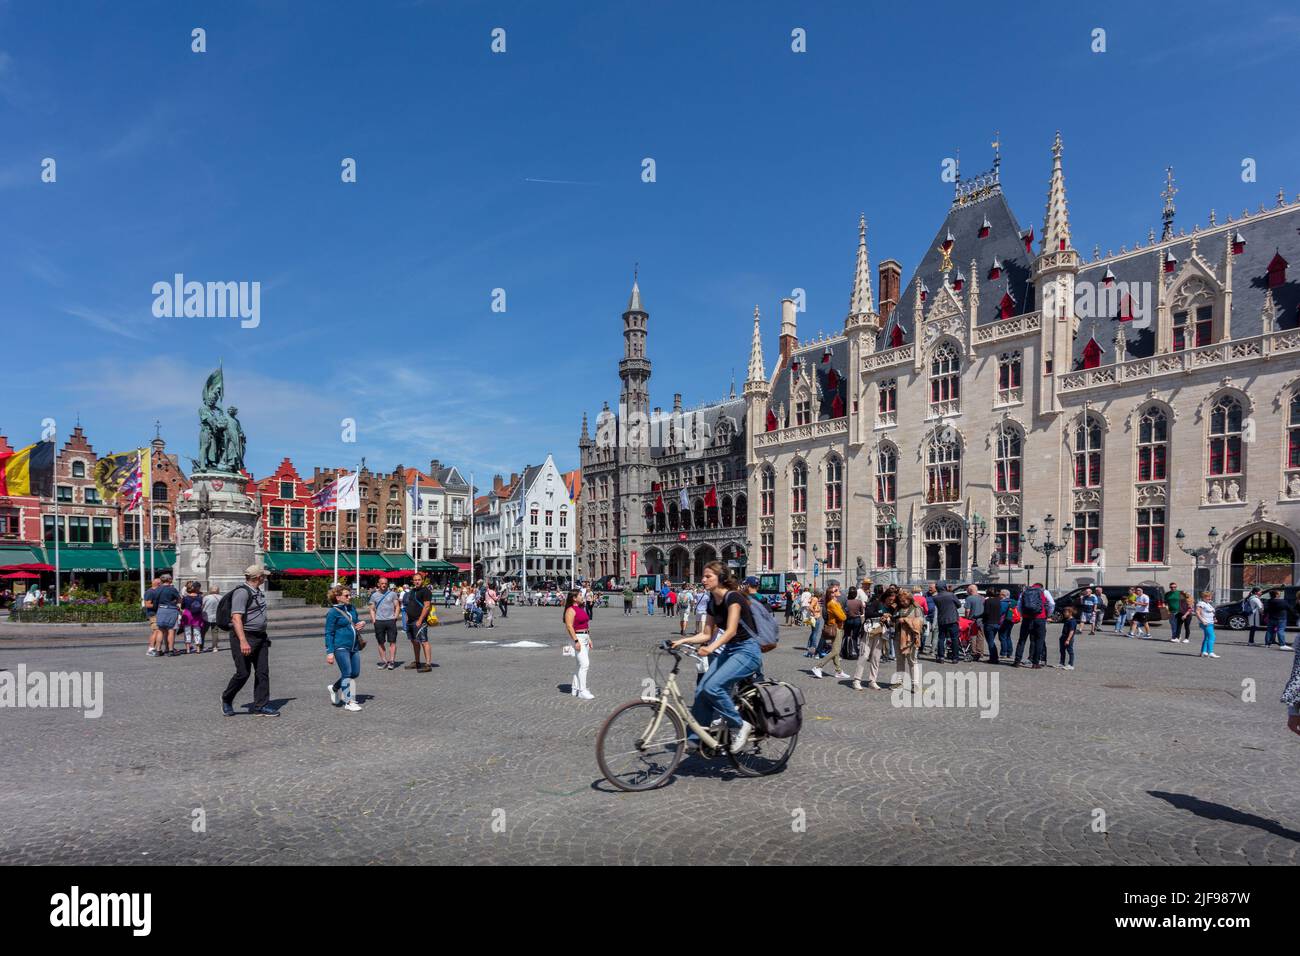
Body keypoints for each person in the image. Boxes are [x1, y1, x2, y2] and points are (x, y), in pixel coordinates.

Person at [671, 561, 762, 755]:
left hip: (747, 651)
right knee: (702, 689)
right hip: (730, 651)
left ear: (720, 578)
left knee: (713, 687)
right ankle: (698, 739)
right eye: (703, 576)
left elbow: (730, 631)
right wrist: (681, 641)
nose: (702, 580)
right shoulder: (712, 601)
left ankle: (739, 725)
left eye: (707, 576)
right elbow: (706, 634)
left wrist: (710, 648)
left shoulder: (733, 597)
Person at [221, 565, 278, 716]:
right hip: (244, 636)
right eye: (263, 576)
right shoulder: (242, 592)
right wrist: (243, 641)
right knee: (243, 673)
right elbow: (236, 618)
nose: (265, 578)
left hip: (260, 636)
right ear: (258, 578)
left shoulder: (257, 592)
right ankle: (226, 699)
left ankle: (261, 705)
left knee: (262, 673)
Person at [325, 584, 366, 711]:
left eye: (350, 595)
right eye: (346, 595)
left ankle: (334, 688)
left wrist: (361, 623)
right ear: (338, 597)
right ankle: (349, 701)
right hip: (340, 646)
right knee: (347, 672)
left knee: (355, 673)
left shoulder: (352, 608)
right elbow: (329, 632)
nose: (349, 597)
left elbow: (355, 622)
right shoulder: (332, 612)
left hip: (354, 645)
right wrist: (330, 652)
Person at [810, 583, 849, 680]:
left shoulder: (834, 602)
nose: (837, 591)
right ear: (830, 594)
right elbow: (842, 617)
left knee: (835, 650)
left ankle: (838, 671)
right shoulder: (832, 603)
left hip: (837, 627)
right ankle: (818, 666)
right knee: (835, 651)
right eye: (834, 591)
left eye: (836, 590)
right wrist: (840, 609)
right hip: (836, 628)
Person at [851, 586, 886, 690]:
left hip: (879, 630)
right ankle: (857, 680)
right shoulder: (874, 600)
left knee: (876, 657)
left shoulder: (885, 602)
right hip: (869, 630)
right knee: (864, 655)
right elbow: (868, 614)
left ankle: (872, 680)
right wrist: (882, 613)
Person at [561, 589, 594, 699]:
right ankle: (582, 690)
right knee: (585, 664)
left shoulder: (580, 608)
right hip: (578, 638)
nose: (582, 596)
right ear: (574, 598)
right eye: (580, 595)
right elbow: (569, 626)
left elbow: (585, 624)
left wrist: (589, 638)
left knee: (579, 664)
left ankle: (575, 688)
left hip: (585, 637)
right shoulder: (570, 610)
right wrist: (575, 641)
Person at [1013, 582, 1055, 668]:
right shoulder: (1044, 591)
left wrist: (1022, 614)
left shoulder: (1025, 592)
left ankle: (1017, 661)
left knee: (1022, 640)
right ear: (1041, 586)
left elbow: (1019, 605)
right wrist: (1048, 614)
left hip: (1027, 618)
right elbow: (1052, 604)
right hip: (1040, 618)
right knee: (1039, 640)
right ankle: (1035, 663)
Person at [890, 590, 924, 693]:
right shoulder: (897, 608)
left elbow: (921, 622)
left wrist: (906, 620)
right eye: (901, 601)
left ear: (909, 599)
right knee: (900, 660)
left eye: (904, 601)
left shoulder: (916, 608)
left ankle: (915, 684)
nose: (902, 602)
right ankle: (899, 682)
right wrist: (892, 619)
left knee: (912, 661)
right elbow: (893, 620)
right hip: (898, 636)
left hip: (911, 638)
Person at [404, 571, 435, 672]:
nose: (417, 582)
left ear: (422, 580)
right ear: (413, 581)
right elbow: (410, 604)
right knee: (414, 642)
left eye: (419, 580)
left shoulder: (425, 591)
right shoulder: (412, 591)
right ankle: (417, 662)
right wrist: (408, 616)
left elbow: (426, 607)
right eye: (415, 580)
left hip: (419, 620)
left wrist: (420, 620)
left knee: (424, 641)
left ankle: (428, 664)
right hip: (411, 620)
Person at [368, 576, 400, 671]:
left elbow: (397, 606)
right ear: (378, 584)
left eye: (385, 583)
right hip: (379, 621)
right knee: (380, 642)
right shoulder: (374, 595)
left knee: (392, 642)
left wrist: (395, 617)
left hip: (390, 620)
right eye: (382, 583)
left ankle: (392, 661)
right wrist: (374, 620)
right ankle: (384, 661)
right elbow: (372, 609)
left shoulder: (393, 594)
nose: (384, 585)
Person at [154, 573, 182, 657]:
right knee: (171, 630)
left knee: (160, 630)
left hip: (161, 609)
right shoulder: (172, 589)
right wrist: (177, 605)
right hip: (171, 610)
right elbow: (179, 599)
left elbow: (155, 601)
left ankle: (158, 650)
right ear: (169, 580)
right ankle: (170, 650)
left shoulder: (157, 589)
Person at [932, 584, 961, 664]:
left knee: (941, 639)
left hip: (942, 620)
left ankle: (941, 657)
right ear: (944, 587)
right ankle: (955, 658)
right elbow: (959, 605)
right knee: (954, 639)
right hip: (952, 619)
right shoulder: (951, 595)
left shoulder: (936, 597)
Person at [981, 585, 1003, 665]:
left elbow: (986, 612)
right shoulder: (998, 600)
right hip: (997, 623)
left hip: (989, 623)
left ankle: (994, 658)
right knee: (992, 640)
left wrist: (981, 617)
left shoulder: (988, 601)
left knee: (990, 641)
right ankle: (994, 657)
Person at [181, 582, 205, 653]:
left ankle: (188, 649)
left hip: (187, 614)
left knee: (187, 631)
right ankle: (198, 649)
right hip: (197, 615)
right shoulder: (200, 597)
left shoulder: (185, 598)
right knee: (197, 631)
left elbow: (182, 607)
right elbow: (201, 606)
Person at [964, 584, 986, 661]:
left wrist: (966, 618)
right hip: (982, 620)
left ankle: (974, 652)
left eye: (967, 590)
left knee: (973, 636)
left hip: (972, 620)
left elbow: (967, 610)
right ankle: (981, 652)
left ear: (970, 591)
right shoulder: (982, 598)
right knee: (981, 636)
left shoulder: (969, 598)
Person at [1195, 590, 1220, 659]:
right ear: (1203, 597)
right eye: (1208, 597)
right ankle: (1210, 652)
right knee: (1212, 637)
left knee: (1207, 637)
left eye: (1210, 597)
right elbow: (1197, 613)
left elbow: (1211, 612)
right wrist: (1203, 621)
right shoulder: (1201, 603)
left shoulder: (1208, 604)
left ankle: (1203, 652)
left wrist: (1214, 618)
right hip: (1206, 623)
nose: (1210, 598)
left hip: (1210, 622)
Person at [804, 589, 824, 657]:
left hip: (811, 617)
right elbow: (810, 607)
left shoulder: (812, 598)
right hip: (815, 617)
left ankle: (809, 645)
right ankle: (813, 646)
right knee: (816, 632)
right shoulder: (815, 599)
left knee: (813, 632)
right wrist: (815, 612)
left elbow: (809, 604)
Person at [202, 585, 221, 653]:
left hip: (206, 616)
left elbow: (202, 605)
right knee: (215, 632)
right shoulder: (221, 597)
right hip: (216, 617)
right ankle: (215, 647)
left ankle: (201, 646)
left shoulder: (206, 597)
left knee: (203, 631)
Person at [997, 589, 1015, 659]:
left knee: (1002, 637)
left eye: (1000, 594)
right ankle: (1009, 652)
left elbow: (1000, 612)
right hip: (1011, 621)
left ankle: (1003, 652)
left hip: (1004, 622)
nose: (999, 595)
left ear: (1003, 595)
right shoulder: (1013, 602)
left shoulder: (1003, 602)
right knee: (1008, 636)